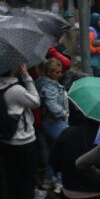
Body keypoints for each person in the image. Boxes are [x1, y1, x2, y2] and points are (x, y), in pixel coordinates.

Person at [0, 64, 41, 199]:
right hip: (24, 140)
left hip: (3, 139)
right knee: (27, 180)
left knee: (11, 177)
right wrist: (26, 76)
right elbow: (35, 102)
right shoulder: (15, 90)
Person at [36, 59, 69, 189]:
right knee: (63, 152)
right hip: (56, 123)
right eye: (57, 72)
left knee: (52, 152)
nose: (60, 74)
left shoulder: (41, 82)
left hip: (48, 122)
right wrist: (64, 114)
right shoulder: (49, 87)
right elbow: (52, 105)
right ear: (49, 72)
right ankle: (60, 182)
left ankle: (49, 178)